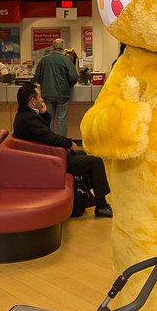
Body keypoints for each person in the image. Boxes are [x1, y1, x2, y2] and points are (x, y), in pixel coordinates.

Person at [14, 82, 112, 218]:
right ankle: (102, 206)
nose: (42, 100)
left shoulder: (25, 117)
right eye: (40, 97)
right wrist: (68, 143)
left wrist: (44, 114)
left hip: (45, 157)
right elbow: (49, 137)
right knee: (95, 162)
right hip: (49, 162)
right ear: (32, 101)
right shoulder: (29, 119)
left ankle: (87, 196)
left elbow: (44, 134)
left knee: (82, 154)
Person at [33, 38, 78, 136]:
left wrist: (45, 83)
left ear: (53, 47)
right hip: (62, 94)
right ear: (63, 48)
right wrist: (67, 84)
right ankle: (61, 144)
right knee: (61, 119)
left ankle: (51, 143)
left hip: (47, 94)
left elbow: (37, 76)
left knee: (50, 118)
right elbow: (74, 77)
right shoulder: (66, 60)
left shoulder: (44, 59)